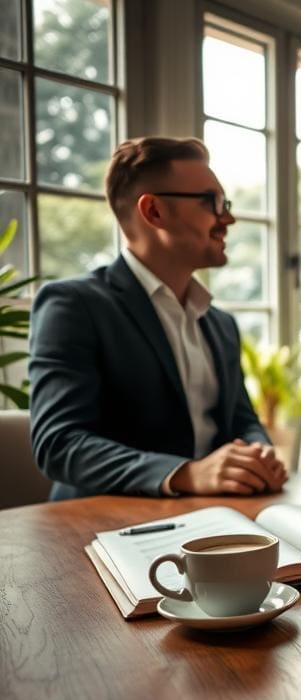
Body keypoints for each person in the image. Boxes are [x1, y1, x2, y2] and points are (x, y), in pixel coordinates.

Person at [29, 137, 287, 500]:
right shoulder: (73, 305)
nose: (228, 218)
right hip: (102, 522)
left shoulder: (221, 324)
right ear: (153, 212)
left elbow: (242, 420)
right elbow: (59, 443)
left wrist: (259, 453)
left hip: (212, 515)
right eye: (210, 202)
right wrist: (186, 474)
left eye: (224, 204)